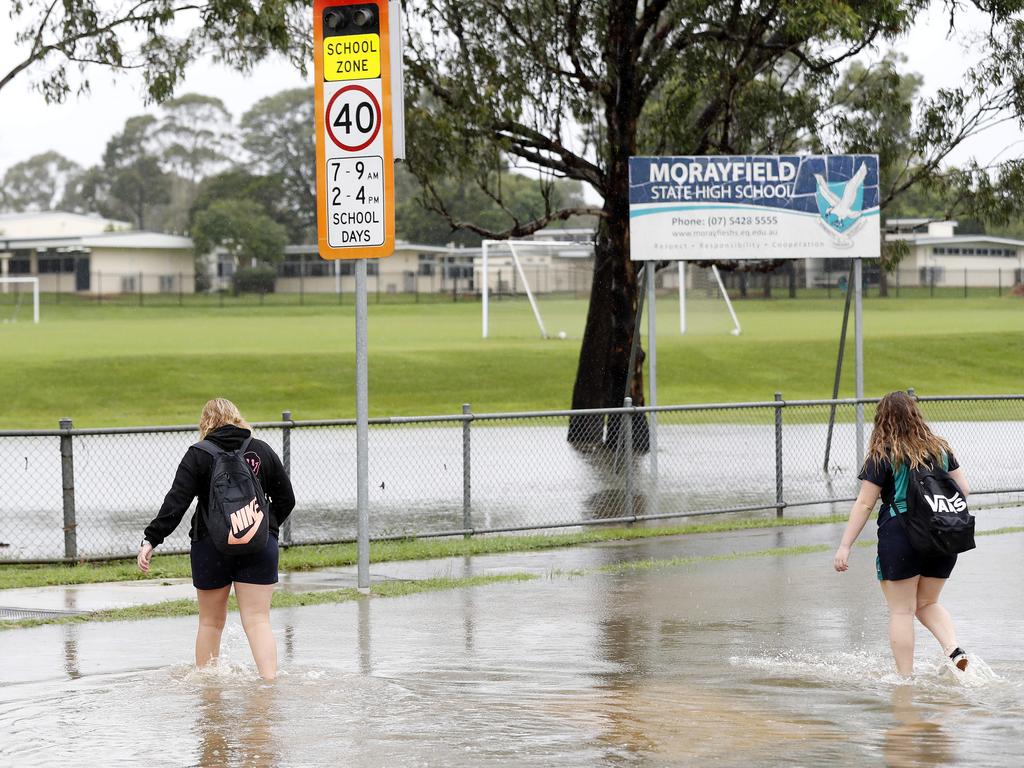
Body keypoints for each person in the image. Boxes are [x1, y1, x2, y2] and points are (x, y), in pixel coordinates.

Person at [137, 398, 295, 680]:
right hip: (259, 546)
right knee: (258, 621)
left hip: (210, 546)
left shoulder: (198, 454)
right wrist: (264, 529)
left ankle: (208, 691)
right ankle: (269, 685)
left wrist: (151, 539)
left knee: (210, 622)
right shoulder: (260, 450)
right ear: (237, 417)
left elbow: (176, 503)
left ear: (205, 423)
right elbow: (286, 499)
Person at [833, 391, 970, 677]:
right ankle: (954, 649)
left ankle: (905, 680)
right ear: (916, 416)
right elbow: (964, 491)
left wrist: (845, 545)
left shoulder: (883, 453)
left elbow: (865, 503)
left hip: (901, 534)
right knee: (927, 603)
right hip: (942, 535)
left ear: (882, 420)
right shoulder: (941, 449)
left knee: (902, 611)